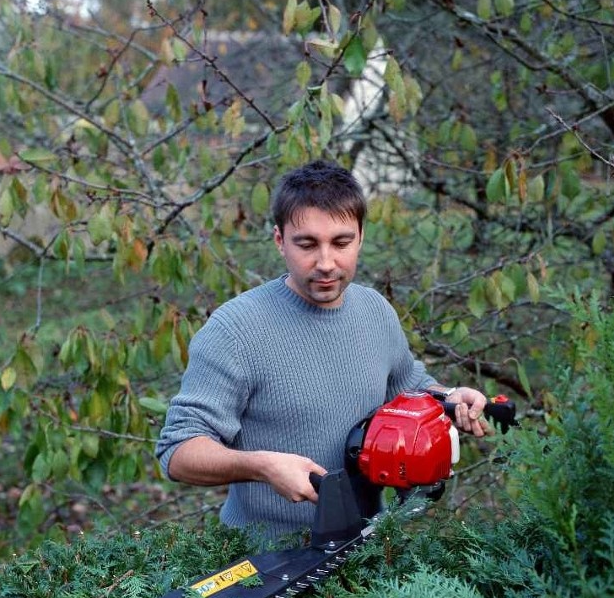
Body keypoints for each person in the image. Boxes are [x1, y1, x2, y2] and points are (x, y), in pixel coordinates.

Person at [155, 159, 493, 544]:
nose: (326, 263)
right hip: (265, 561)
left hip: (368, 547)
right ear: (279, 240)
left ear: (361, 237)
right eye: (307, 244)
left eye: (341, 242)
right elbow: (179, 450)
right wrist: (262, 466)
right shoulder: (235, 331)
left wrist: (449, 398)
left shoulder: (375, 311)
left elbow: (409, 389)